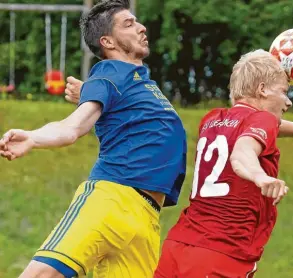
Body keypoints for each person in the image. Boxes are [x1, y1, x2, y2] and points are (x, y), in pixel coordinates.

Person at [0, 1, 186, 277]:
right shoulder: (110, 71)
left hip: (146, 218)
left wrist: (88, 91)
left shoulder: (139, 82)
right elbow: (73, 127)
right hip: (111, 200)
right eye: (129, 23)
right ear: (107, 41)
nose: (141, 27)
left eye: (137, 21)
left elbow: (117, 103)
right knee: (41, 275)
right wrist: (33, 137)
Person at [153, 49, 293, 278]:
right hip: (221, 254)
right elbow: (242, 151)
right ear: (262, 89)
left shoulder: (211, 120)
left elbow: (256, 125)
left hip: (178, 245)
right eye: (284, 92)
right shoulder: (262, 120)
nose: (287, 102)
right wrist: (260, 176)